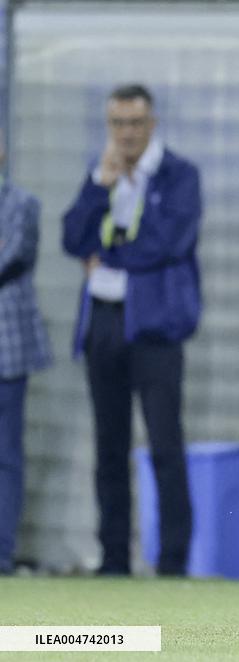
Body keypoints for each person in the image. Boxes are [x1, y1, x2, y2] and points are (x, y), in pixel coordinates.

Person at [62, 84, 201, 577]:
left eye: (135, 123)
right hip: (103, 320)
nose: (126, 134)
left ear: (152, 124)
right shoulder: (100, 172)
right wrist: (98, 187)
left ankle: (173, 562)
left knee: (164, 444)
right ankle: (114, 559)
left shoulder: (179, 174)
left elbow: (167, 243)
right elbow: (71, 238)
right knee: (109, 446)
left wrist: (108, 256)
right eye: (117, 124)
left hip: (156, 325)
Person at [0, 135, 52, 575]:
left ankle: (1, 551)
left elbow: (11, 257)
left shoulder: (22, 204)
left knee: (6, 455)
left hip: (8, 349)